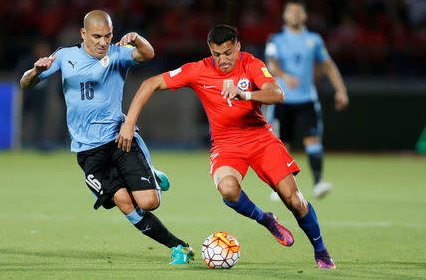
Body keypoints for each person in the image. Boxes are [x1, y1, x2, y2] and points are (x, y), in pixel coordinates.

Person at [117, 25, 336, 269]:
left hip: (261, 138)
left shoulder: (251, 64)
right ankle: (266, 220)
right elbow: (151, 83)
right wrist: (129, 122)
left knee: (293, 200)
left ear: (238, 47)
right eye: (216, 54)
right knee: (228, 189)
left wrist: (246, 95)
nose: (222, 59)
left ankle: (321, 251)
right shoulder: (198, 70)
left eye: (228, 53)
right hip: (226, 145)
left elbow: (277, 93)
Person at [19, 10, 193, 264]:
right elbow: (25, 83)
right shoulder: (65, 56)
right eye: (97, 36)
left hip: (118, 139)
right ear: (83, 34)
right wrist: (35, 71)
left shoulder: (117, 53)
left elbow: (148, 54)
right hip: (88, 151)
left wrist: (137, 38)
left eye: (108, 36)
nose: (103, 42)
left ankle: (151, 175)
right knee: (125, 204)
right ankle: (179, 246)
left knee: (149, 202)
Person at [265, 0, 349, 198]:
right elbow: (271, 65)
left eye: (298, 12)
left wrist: (341, 90)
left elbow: (328, 65)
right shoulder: (276, 40)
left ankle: (318, 182)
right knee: (280, 144)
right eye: (290, 12)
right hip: (281, 100)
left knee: (313, 140)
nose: (294, 15)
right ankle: (280, 187)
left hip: (306, 100)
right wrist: (285, 77)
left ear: (304, 16)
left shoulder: (314, 40)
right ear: (284, 16)